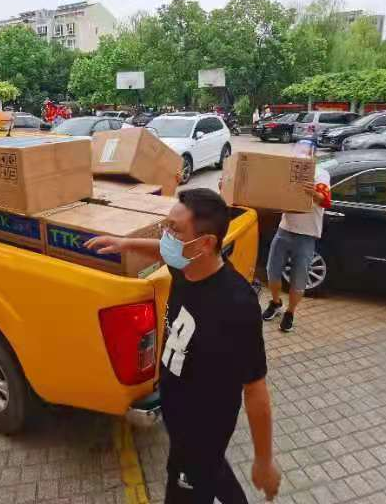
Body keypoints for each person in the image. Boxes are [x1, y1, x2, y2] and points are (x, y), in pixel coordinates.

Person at [85, 189, 281, 504]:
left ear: (206, 243)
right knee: (213, 471)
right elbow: (165, 252)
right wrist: (125, 244)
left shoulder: (236, 304)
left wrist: (263, 461)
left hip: (202, 430)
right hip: (177, 412)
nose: (166, 236)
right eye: (166, 226)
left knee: (192, 480)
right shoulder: (187, 266)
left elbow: (255, 389)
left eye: (174, 230)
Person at [263, 155, 331, 332]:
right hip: (284, 229)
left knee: (299, 278)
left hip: (306, 235)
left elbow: (326, 201)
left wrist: (313, 193)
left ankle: (290, 313)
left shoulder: (321, 175)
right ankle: (276, 303)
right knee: (272, 271)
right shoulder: (288, 173)